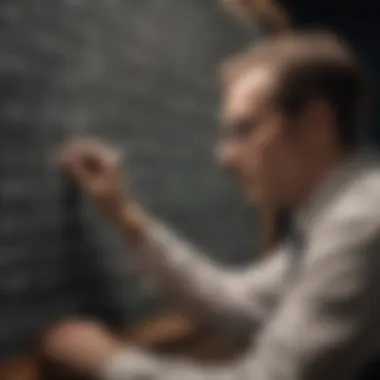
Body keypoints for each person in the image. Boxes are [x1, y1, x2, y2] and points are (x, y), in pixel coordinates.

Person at [43, 30, 380, 380]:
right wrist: (123, 214)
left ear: (316, 123)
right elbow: (238, 304)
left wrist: (110, 362)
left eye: (244, 129)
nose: (224, 157)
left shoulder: (360, 223)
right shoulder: (332, 216)